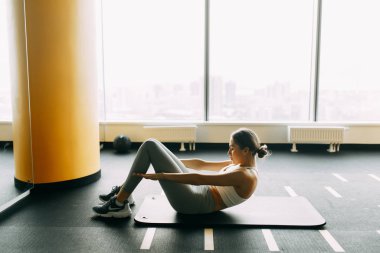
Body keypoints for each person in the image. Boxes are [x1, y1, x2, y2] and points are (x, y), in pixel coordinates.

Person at [93, 128, 270, 218]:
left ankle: (119, 204)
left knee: (149, 145)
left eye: (232, 148)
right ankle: (125, 193)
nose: (228, 153)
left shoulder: (245, 176)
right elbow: (201, 165)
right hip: (197, 193)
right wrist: (167, 159)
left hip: (194, 203)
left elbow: (198, 179)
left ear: (246, 150)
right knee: (153, 144)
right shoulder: (240, 165)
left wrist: (161, 175)